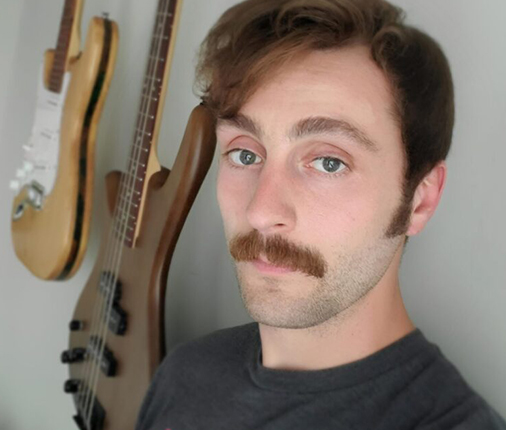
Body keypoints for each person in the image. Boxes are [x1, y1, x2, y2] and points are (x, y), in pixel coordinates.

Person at [136, 0, 506, 429]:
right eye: (244, 152)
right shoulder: (184, 375)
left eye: (329, 162)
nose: (261, 211)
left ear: (418, 201)